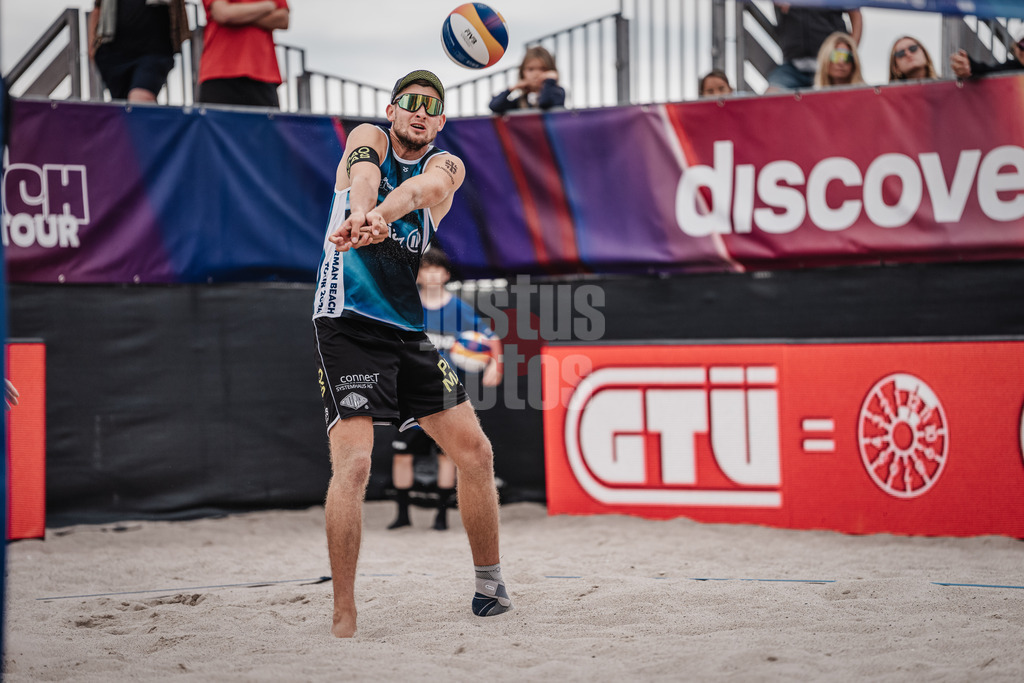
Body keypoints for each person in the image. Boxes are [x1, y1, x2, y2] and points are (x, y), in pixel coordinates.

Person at [312, 69, 512, 638]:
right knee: (353, 464)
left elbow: (425, 193)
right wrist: (361, 212)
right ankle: (344, 611)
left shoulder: (447, 166)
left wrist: (381, 219)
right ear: (393, 110)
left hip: (406, 331)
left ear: (441, 121)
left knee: (475, 452)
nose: (420, 112)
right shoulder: (367, 137)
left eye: (432, 106)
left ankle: (490, 586)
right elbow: (366, 171)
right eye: (410, 103)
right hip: (346, 322)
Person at [388, 247, 502, 532]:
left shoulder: (459, 309)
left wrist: (494, 366)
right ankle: (402, 515)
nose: (431, 274)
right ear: (417, 275)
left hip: (446, 395)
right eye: (425, 269)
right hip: (410, 392)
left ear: (447, 275)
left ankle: (441, 515)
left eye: (437, 268)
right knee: (403, 455)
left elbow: (491, 339)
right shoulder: (407, 306)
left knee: (446, 455)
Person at [88, 0, 190, 103]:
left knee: (140, 99)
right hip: (114, 55)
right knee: (125, 111)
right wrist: (93, 47)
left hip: (153, 51)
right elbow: (98, 7)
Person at [197, 0, 290, 107]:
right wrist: (267, 6)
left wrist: (238, 13)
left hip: (264, 74)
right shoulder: (267, 5)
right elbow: (224, 14)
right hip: (219, 74)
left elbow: (283, 19)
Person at [767, 3, 862, 91]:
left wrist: (849, 50)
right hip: (793, 67)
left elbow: (855, 12)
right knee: (771, 97)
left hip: (830, 64)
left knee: (843, 98)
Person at [489, 46, 566, 113]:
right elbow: (495, 106)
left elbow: (544, 104)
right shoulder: (521, 100)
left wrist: (549, 82)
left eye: (543, 69)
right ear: (522, 72)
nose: (536, 74)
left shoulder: (558, 92)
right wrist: (512, 89)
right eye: (531, 69)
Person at [950, 29, 1024, 80]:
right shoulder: (1011, 67)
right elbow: (987, 70)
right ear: (1015, 47)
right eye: (1023, 44)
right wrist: (970, 66)